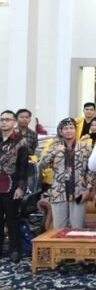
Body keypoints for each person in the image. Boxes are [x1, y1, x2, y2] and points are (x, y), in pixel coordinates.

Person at [39, 118, 93, 229]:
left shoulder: (85, 147)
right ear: (61, 131)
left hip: (79, 191)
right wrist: (54, 152)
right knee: (58, 229)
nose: (69, 131)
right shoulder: (54, 146)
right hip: (59, 192)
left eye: (71, 128)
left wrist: (87, 189)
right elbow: (42, 165)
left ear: (75, 130)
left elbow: (91, 170)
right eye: (66, 128)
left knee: (77, 229)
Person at [0, 110, 29, 263]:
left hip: (11, 186)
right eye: (2, 120)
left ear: (14, 123)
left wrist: (20, 187)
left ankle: (14, 250)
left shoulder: (20, 142)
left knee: (12, 220)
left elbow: (23, 167)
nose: (4, 122)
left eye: (7, 119)